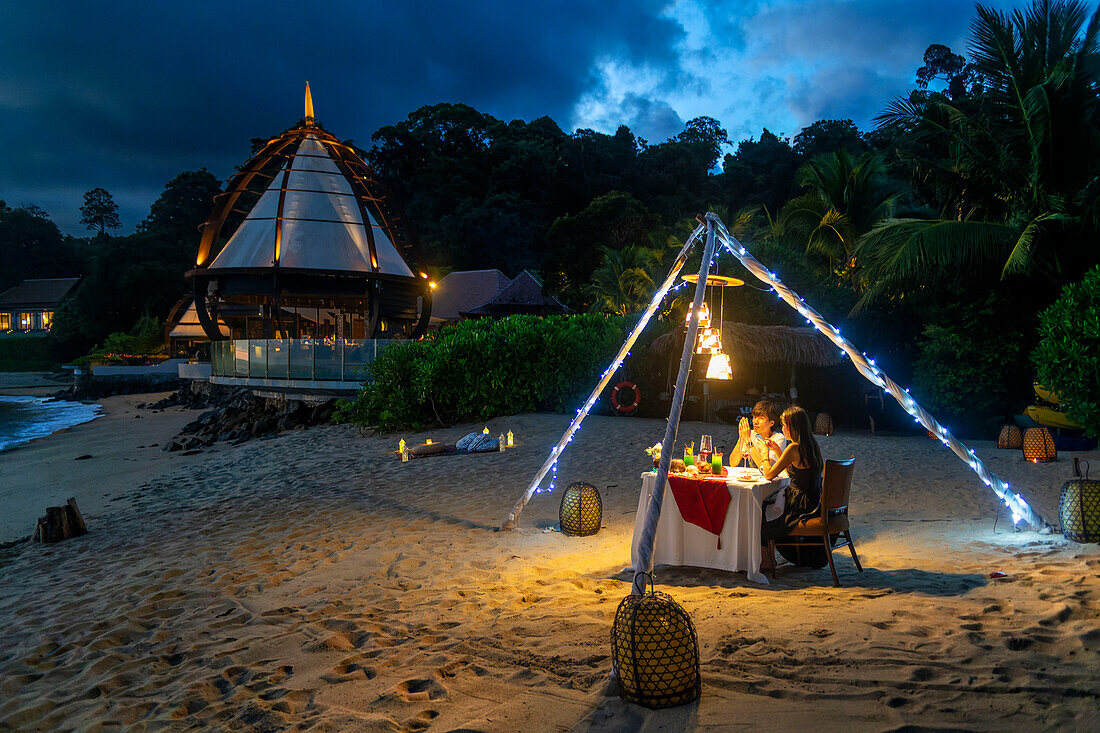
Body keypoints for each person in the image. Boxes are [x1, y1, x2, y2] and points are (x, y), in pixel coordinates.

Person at [759, 406, 824, 546]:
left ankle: (766, 559)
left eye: (783, 426)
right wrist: (777, 450)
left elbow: (769, 475)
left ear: (791, 427)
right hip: (813, 500)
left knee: (761, 507)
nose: (782, 429)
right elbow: (795, 473)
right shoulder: (812, 445)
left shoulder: (794, 448)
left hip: (799, 503)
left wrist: (765, 456)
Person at [735, 400, 786, 469]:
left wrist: (748, 440)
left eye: (761, 418)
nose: (755, 422)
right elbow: (733, 463)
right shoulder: (750, 434)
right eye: (755, 417)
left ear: (771, 423)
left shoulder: (778, 439)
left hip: (774, 478)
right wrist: (741, 438)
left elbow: (763, 467)